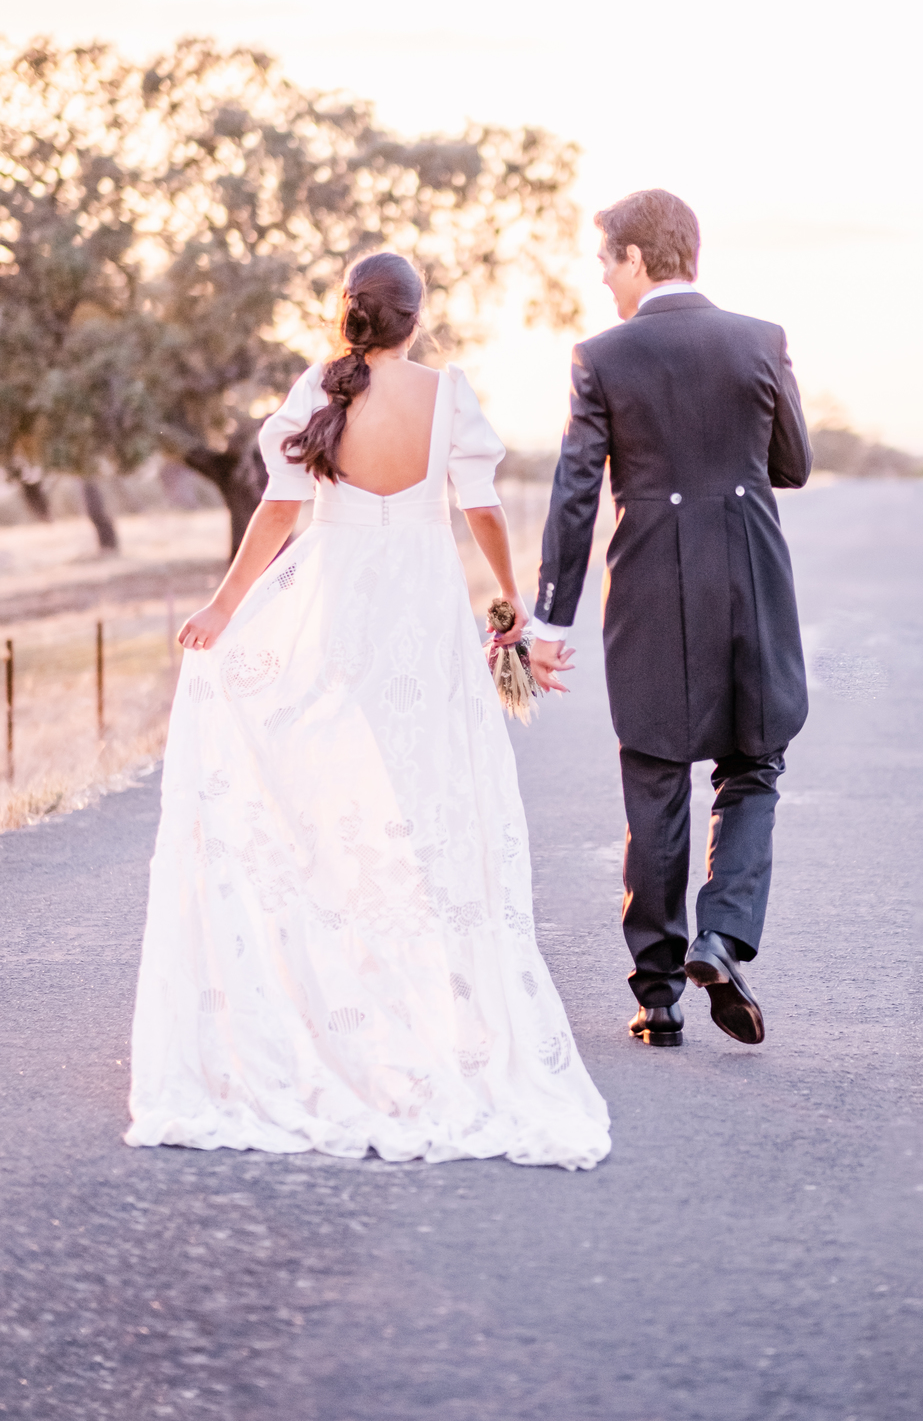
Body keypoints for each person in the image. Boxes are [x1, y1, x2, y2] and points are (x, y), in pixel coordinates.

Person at [125, 252, 610, 1171]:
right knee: (431, 797)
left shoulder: (320, 388)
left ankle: (339, 983)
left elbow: (278, 509)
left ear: (349, 316)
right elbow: (483, 510)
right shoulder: (446, 391)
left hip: (338, 604)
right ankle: (418, 998)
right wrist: (509, 602)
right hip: (421, 612)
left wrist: (226, 607)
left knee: (331, 787)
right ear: (415, 319)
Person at [529, 190, 811, 1050]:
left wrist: (550, 620)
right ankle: (721, 938)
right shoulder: (761, 340)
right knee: (752, 762)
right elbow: (793, 465)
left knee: (655, 779)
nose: (602, 279)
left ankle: (657, 998)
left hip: (649, 587)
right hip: (751, 577)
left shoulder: (601, 357)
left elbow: (577, 495)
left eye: (604, 261)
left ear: (638, 258)